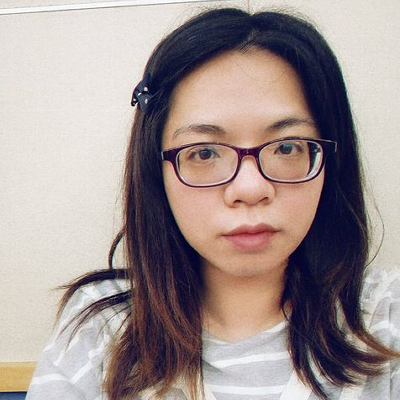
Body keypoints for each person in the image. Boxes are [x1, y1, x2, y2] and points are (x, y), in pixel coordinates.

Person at [26, 7, 400, 400]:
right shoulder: (103, 328)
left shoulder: (385, 316)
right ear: (156, 171)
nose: (250, 189)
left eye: (287, 147)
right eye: (204, 153)